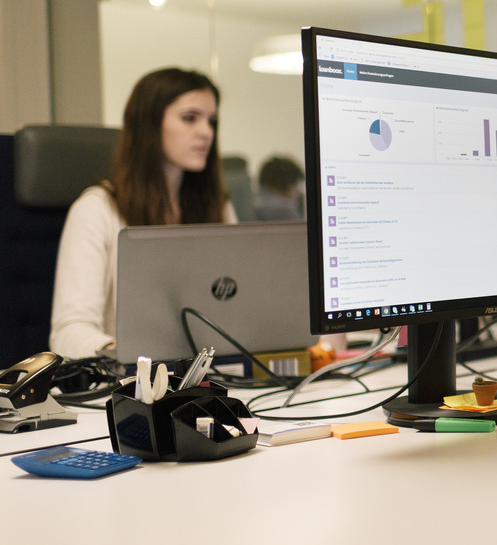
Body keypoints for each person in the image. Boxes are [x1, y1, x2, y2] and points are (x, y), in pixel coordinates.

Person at [49, 67, 236, 359]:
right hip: (130, 388)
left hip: (213, 379)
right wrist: (126, 355)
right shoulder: (97, 209)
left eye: (211, 121)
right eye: (190, 118)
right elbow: (69, 331)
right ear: (148, 124)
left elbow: (236, 309)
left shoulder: (219, 207)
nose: (206, 132)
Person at [253, 155, 305, 221]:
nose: (297, 198)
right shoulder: (285, 211)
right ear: (289, 185)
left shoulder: (248, 203)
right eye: (297, 190)